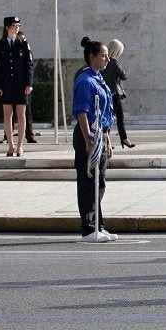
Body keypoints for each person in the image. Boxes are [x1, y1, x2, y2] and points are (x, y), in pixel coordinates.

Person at [72, 37, 118, 243]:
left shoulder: (98, 78)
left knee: (99, 182)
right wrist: (88, 140)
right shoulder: (85, 80)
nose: (107, 59)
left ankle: (99, 225)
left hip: (100, 135)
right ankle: (88, 228)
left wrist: (107, 140)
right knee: (88, 181)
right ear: (92, 57)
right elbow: (82, 113)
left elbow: (104, 114)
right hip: (88, 136)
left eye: (108, 56)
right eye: (103, 56)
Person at [0, 16, 33, 157]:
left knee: (21, 115)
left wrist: (29, 83)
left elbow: (29, 64)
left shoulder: (23, 43)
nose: (17, 27)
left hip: (21, 85)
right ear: (7, 27)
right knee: (7, 115)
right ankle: (10, 145)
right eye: (14, 25)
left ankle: (20, 146)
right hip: (6, 85)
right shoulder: (1, 44)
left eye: (18, 25)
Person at [102, 39, 134, 149]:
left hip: (106, 92)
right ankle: (107, 140)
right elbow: (123, 75)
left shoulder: (103, 61)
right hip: (114, 93)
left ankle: (123, 138)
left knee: (118, 116)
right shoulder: (113, 62)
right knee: (111, 117)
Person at [15, 31, 38, 144]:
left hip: (24, 85)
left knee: (26, 112)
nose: (21, 40)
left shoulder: (26, 48)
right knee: (9, 111)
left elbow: (30, 65)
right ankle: (7, 135)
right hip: (13, 84)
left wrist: (29, 84)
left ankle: (29, 135)